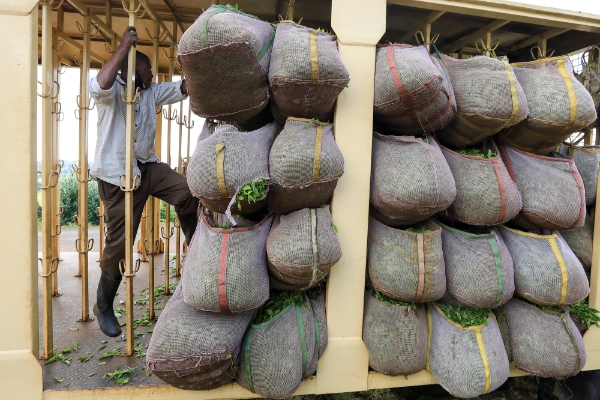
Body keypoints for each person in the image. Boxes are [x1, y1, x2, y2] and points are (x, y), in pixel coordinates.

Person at [89, 26, 198, 337]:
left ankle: (194, 244)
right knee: (120, 244)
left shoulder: (150, 91)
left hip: (146, 168)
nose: (152, 73)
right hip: (118, 177)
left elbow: (183, 88)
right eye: (146, 68)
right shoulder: (111, 92)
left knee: (188, 191)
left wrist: (200, 65)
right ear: (130, 71)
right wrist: (123, 47)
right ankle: (104, 304)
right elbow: (99, 85)